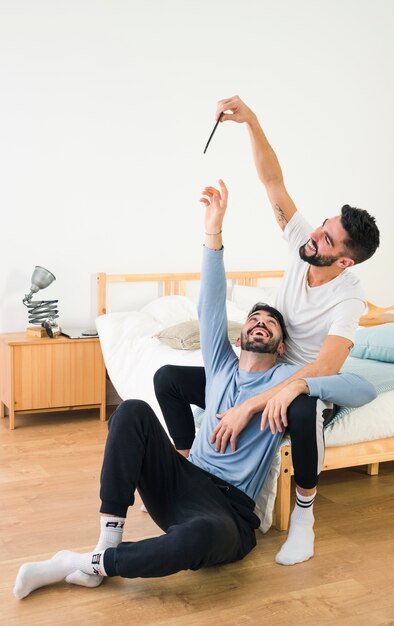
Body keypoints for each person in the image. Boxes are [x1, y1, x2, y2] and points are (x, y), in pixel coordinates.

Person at [14, 182, 376, 600]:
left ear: (281, 346)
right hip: (181, 480)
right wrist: (213, 230)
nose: (260, 322)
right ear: (239, 337)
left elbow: (360, 387)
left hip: (227, 511)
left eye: (271, 323)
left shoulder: (286, 379)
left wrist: (294, 386)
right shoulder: (220, 363)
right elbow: (211, 300)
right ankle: (106, 543)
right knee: (130, 411)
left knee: (196, 541)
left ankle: (79, 564)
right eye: (254, 318)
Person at [154, 95, 380, 566]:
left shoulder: (348, 297)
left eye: (327, 239)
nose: (313, 234)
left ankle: (303, 518)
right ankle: (184, 461)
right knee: (169, 381)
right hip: (268, 371)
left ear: (343, 261)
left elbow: (325, 367)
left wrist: (254, 404)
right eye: (321, 225)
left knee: (301, 408)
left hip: (306, 382)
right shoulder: (304, 244)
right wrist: (251, 120)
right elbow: (272, 180)